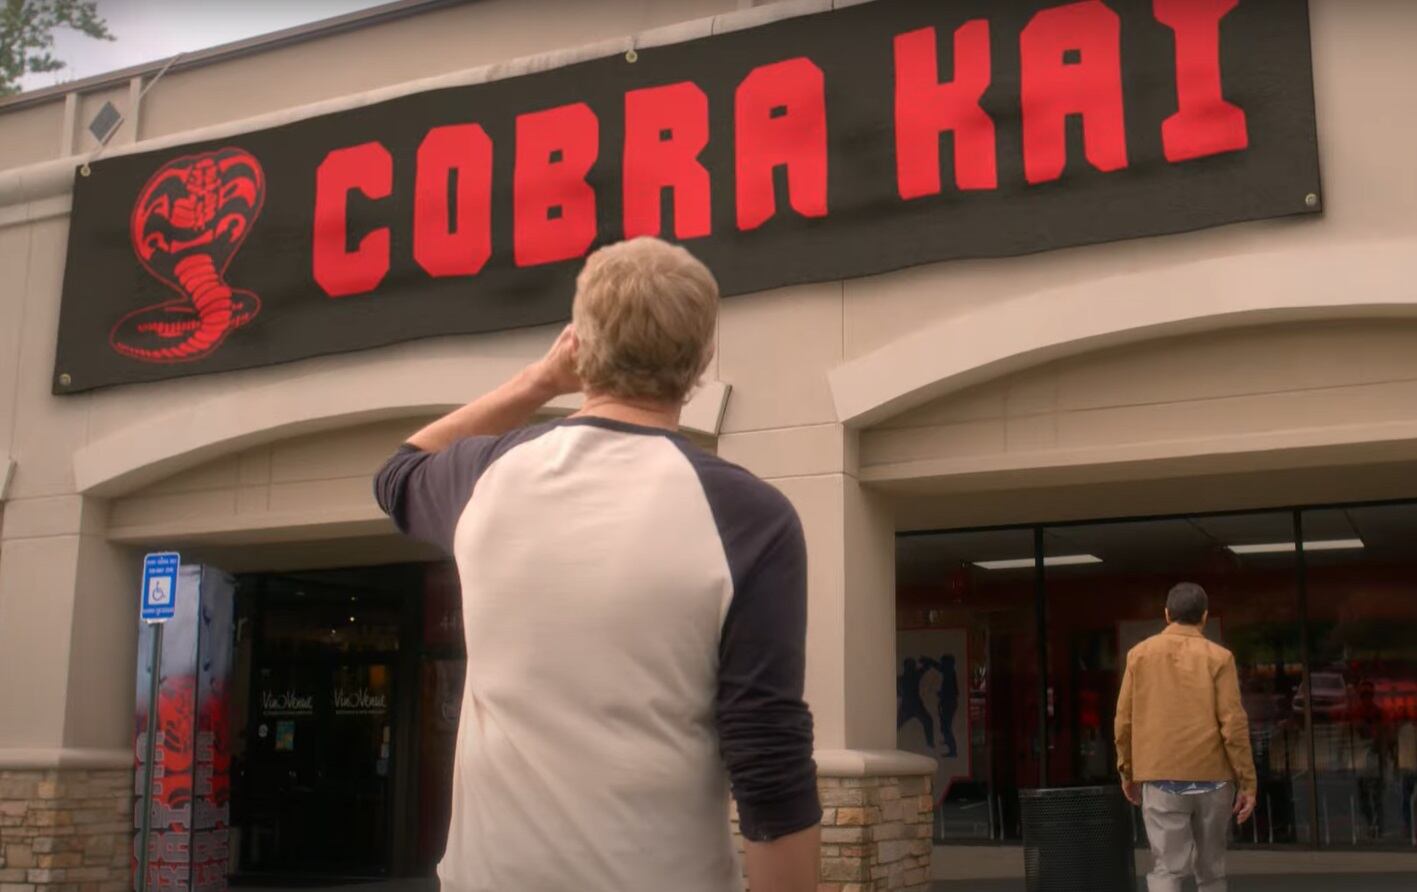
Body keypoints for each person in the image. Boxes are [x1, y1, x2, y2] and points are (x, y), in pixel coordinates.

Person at [373, 237, 821, 892]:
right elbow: (769, 757)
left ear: (578, 345)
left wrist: (539, 379)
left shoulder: (485, 477)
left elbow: (398, 471)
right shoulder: (751, 518)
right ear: (703, 359)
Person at [1115, 582, 1257, 892]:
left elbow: (1124, 721)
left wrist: (1127, 770)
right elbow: (1233, 724)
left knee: (1167, 869)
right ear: (1204, 616)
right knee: (1212, 869)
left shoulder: (1139, 655)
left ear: (1167, 614)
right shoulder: (1220, 658)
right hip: (1214, 777)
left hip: (1161, 776)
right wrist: (1247, 782)